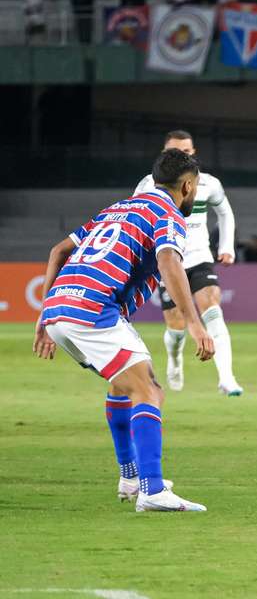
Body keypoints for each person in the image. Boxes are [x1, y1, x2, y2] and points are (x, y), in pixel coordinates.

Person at [33, 149, 214, 512]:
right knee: (149, 391)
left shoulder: (117, 208)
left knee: (123, 384)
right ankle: (152, 491)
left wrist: (42, 317)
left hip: (60, 310)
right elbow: (168, 262)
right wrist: (195, 323)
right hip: (94, 309)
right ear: (188, 186)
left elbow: (58, 250)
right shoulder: (167, 214)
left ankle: (131, 478)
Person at [134, 130, 241, 397]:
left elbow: (225, 213)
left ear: (194, 153)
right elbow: (136, 220)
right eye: (176, 151)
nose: (182, 155)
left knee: (211, 303)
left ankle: (226, 377)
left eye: (187, 151)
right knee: (176, 325)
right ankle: (175, 356)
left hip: (199, 257)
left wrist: (226, 247)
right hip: (168, 262)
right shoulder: (148, 185)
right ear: (164, 154)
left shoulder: (208, 184)